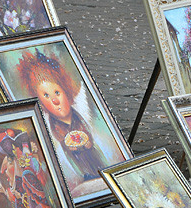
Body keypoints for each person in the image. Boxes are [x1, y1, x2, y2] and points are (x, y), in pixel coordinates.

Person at [16, 49, 117, 192]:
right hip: (74, 160)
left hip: (91, 153)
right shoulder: (52, 124)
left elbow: (88, 129)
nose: (55, 100)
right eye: (46, 96)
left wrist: (88, 141)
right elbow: (59, 142)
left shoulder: (78, 113)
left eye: (57, 93)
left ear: (65, 91)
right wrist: (69, 146)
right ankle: (86, 175)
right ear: (41, 103)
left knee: (96, 162)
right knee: (82, 170)